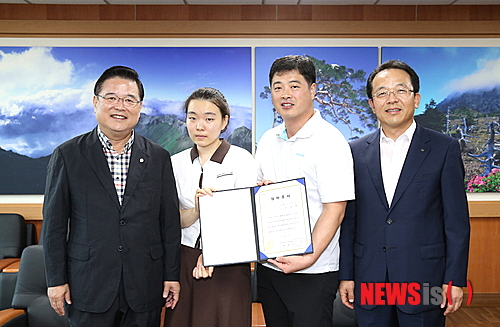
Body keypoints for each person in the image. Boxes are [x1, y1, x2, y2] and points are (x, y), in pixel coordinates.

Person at [42, 65, 181, 327]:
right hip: (88, 284)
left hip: (144, 283)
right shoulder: (67, 155)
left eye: (129, 100)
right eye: (112, 98)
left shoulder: (158, 157)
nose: (121, 106)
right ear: (96, 102)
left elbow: (169, 222)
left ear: (139, 107)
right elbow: (54, 226)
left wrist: (171, 275)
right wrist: (56, 280)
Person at [339, 59, 470, 327]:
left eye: (400, 90)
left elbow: (456, 223)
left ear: (416, 98)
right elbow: (349, 221)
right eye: (382, 93)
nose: (392, 99)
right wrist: (347, 274)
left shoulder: (444, 148)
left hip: (424, 278)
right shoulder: (354, 151)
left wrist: (454, 279)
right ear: (372, 104)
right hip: (369, 277)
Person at [255, 55, 355, 327]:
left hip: (314, 270)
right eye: (277, 87)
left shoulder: (330, 141)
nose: (285, 94)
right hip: (270, 266)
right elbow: (255, 194)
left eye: (294, 85)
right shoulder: (267, 139)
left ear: (312, 90)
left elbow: (335, 209)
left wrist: (307, 258)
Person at [163, 87, 256, 327]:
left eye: (209, 118)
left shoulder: (242, 159)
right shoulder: (175, 163)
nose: (199, 126)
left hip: (229, 263)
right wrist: (195, 210)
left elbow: (248, 219)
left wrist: (214, 253)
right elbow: (175, 221)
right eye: (192, 118)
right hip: (184, 261)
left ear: (224, 122)